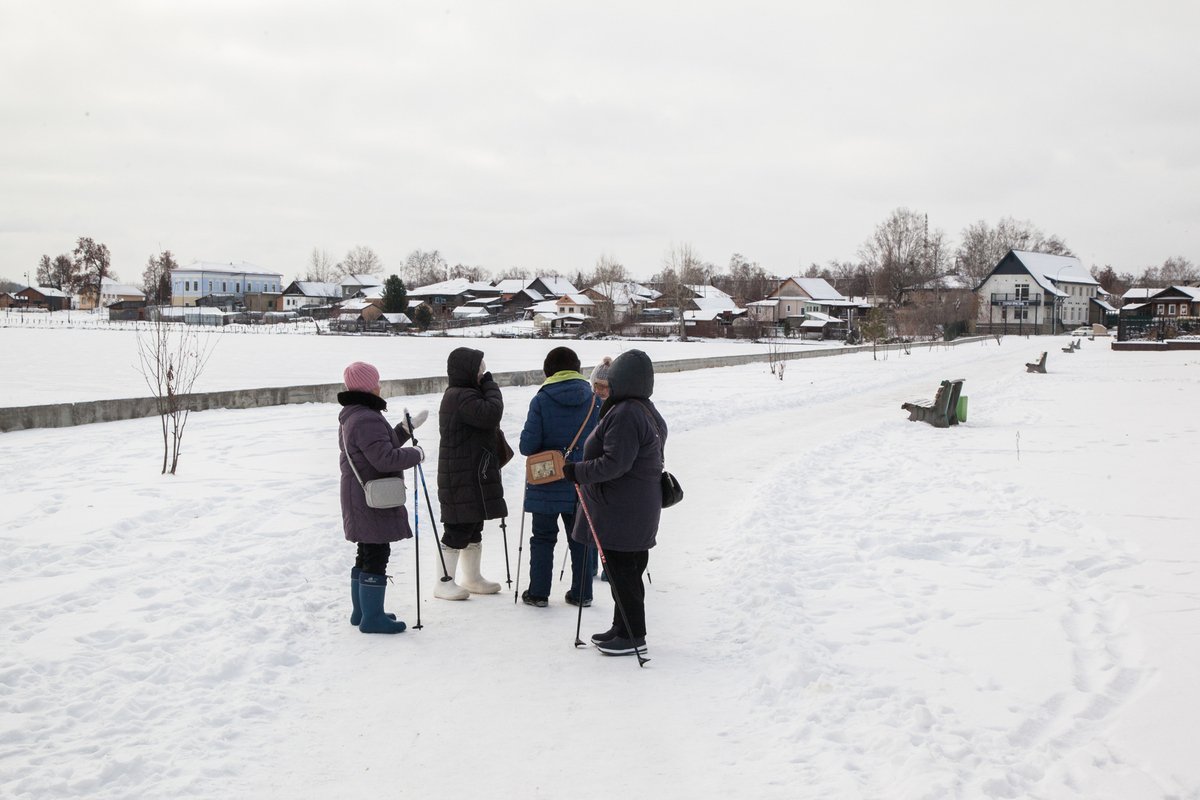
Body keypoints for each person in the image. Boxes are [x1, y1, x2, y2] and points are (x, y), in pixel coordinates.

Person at [564, 349, 665, 656]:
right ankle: (622, 627)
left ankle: (633, 635)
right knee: (629, 571)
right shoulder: (644, 408)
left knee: (623, 571)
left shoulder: (625, 413)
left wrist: (577, 472)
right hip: (637, 505)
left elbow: (614, 464)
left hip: (623, 508)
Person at [338, 361, 427, 634]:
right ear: (369, 386)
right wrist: (417, 453)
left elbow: (377, 447)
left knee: (366, 550)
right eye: (376, 382)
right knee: (377, 551)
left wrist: (403, 430)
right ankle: (372, 618)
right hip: (370, 497)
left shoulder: (354, 414)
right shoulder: (366, 418)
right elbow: (384, 458)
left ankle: (362, 612)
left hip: (360, 493)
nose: (379, 386)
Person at [518, 346, 601, 608]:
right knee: (580, 537)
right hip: (582, 478)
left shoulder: (541, 400)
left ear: (548, 370)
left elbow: (527, 446)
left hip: (546, 480)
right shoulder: (594, 400)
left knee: (542, 537)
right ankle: (582, 593)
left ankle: (539, 593)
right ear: (577, 368)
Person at [435, 347, 507, 600]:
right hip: (460, 475)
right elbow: (491, 413)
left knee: (473, 525)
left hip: (471, 472)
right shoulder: (461, 396)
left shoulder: (465, 394)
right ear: (468, 371)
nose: (483, 374)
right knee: (457, 528)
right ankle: (443, 582)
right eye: (480, 370)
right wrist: (492, 386)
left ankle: (472, 578)